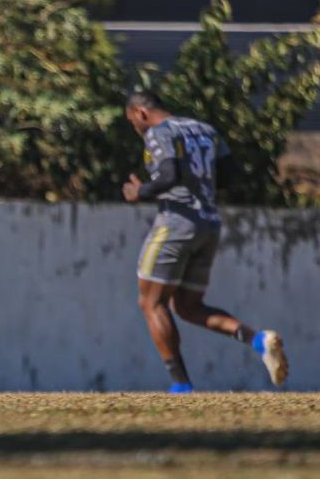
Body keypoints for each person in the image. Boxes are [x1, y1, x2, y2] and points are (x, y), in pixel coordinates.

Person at [122, 91, 288, 393]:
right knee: (188, 306)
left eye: (133, 122)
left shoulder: (158, 133)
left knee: (150, 302)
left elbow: (169, 174)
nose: (136, 129)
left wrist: (141, 192)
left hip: (175, 224)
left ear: (141, 113)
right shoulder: (205, 129)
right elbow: (230, 175)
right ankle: (258, 340)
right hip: (208, 225)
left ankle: (181, 385)